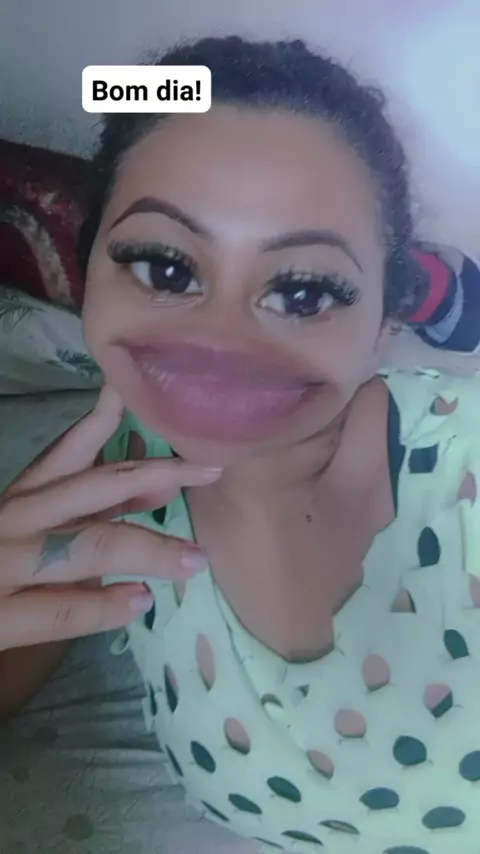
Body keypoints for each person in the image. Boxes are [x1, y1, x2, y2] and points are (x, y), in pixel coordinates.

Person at [2, 35, 480, 853]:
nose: (220, 343)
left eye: (304, 292)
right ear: (90, 277)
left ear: (381, 330)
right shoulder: (117, 480)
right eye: (165, 268)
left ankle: (429, 285)